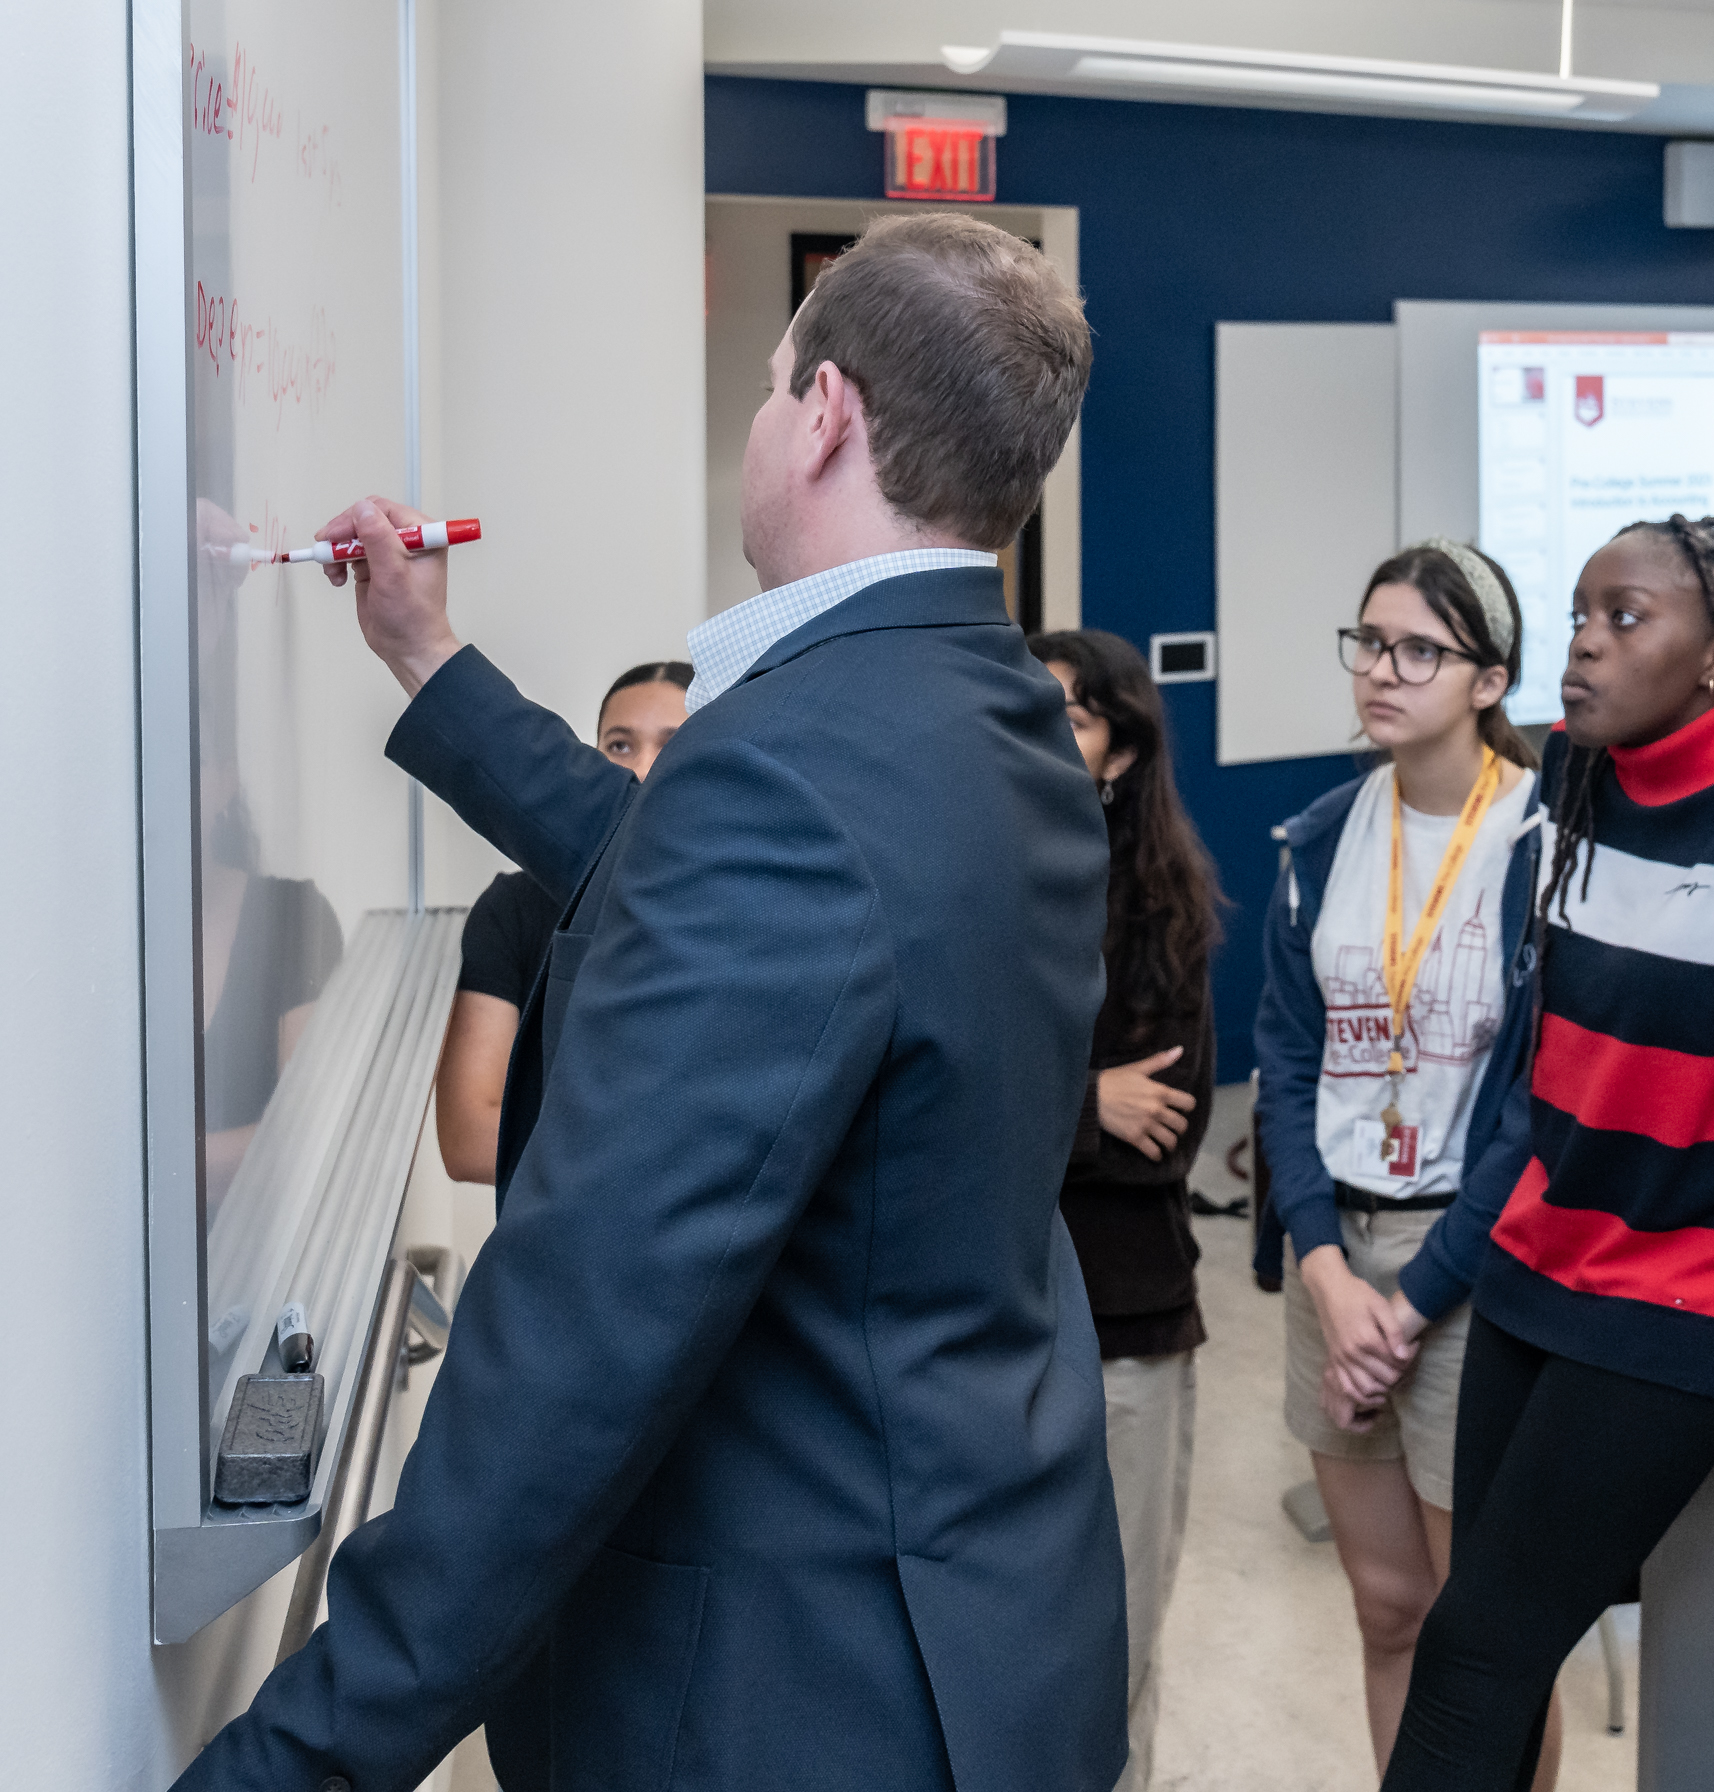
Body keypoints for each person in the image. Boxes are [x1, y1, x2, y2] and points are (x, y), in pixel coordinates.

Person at [174, 212, 1125, 1792]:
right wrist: (432, 662)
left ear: (827, 415)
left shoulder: (787, 770)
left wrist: (299, 1760)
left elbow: (576, 1353)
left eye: (769, 388)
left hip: (797, 1692)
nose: (761, 422)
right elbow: (727, 903)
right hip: (980, 1616)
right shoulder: (988, 714)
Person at [1380, 514, 1714, 1792]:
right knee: (1482, 1643)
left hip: (1688, 1295)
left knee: (1475, 1648)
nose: (1582, 648)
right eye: (1577, 617)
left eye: (1625, 617)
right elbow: (1557, 1060)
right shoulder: (1579, 772)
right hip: (1541, 1267)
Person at [1252, 540, 1558, 1788]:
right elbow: (1283, 1060)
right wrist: (1326, 1272)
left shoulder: (1539, 840)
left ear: (1489, 679)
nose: (1380, 670)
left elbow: (1539, 1104)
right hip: (1341, 1258)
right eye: (1368, 642)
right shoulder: (1322, 836)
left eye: (1416, 649)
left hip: (1471, 1267)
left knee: (1480, 1630)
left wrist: (1417, 1296)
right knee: (1387, 1606)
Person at [1029, 626, 1223, 1792]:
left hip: (1123, 1320)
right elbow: (920, 1112)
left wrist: (1047, 1116)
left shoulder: (1158, 906)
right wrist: (1081, 1102)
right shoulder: (969, 877)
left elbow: (1164, 1134)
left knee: (1117, 1650)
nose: (1040, 730)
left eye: (1070, 712)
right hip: (983, 1324)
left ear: (1120, 749)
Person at [434, 659, 691, 1187]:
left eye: (673, 743)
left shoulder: (747, 899)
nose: (641, 767)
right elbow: (468, 1139)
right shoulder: (514, 909)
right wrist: (668, 1155)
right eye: (620, 745)